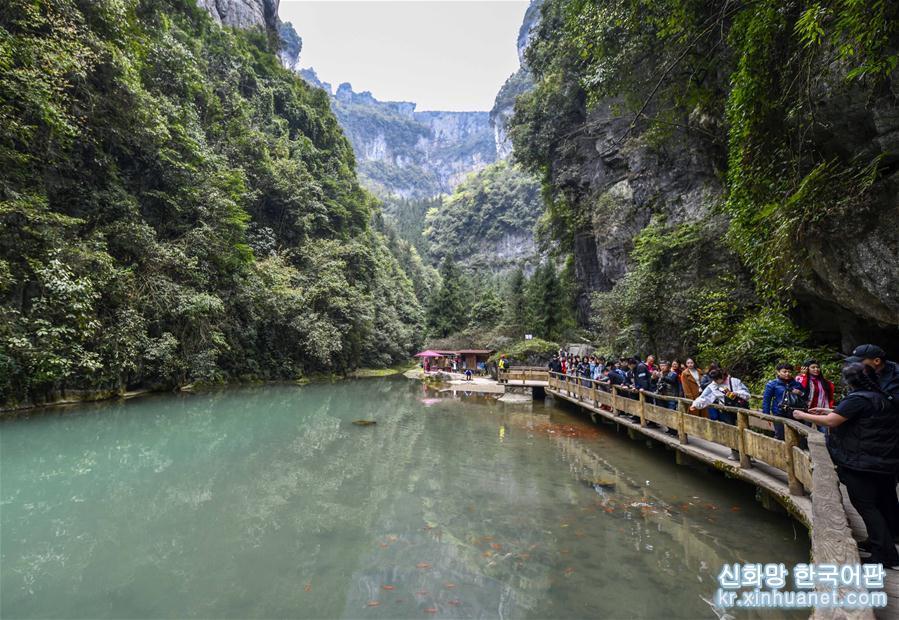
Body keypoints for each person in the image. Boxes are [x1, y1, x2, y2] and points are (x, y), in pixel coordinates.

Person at [794, 363, 899, 568]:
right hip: (884, 461)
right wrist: (828, 410)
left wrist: (802, 416)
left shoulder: (858, 399)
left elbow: (832, 422)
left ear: (850, 382)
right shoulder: (882, 397)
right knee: (879, 503)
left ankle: (886, 555)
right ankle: (878, 543)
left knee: (866, 505)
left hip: (861, 463)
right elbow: (855, 415)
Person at [690, 368, 750, 460]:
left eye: (717, 379)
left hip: (741, 409)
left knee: (745, 430)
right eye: (714, 380)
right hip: (726, 410)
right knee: (731, 430)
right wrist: (695, 405)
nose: (716, 381)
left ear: (722, 376)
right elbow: (704, 397)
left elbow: (747, 394)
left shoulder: (734, 381)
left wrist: (736, 393)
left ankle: (749, 454)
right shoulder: (713, 385)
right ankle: (735, 453)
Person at [846, 344, 899, 411]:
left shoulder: (896, 375)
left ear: (877, 361)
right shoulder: (863, 373)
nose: (854, 365)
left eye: (859, 362)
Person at [762, 363, 805, 441]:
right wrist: (766, 415)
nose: (787, 374)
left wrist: (800, 393)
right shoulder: (772, 384)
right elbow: (766, 400)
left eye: (789, 372)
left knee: (798, 437)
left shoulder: (797, 384)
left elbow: (805, 396)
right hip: (779, 413)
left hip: (795, 413)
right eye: (784, 372)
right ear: (778, 372)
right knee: (780, 436)